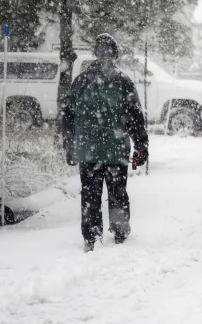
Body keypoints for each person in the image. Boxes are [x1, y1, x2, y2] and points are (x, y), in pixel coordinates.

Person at [62, 33, 148, 252]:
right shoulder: (123, 80)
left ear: (95, 54)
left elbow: (68, 116)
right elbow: (135, 117)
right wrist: (141, 146)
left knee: (90, 193)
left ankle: (90, 235)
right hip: (116, 149)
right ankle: (120, 230)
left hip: (87, 150)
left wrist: (69, 146)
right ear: (115, 54)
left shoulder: (81, 80)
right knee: (117, 191)